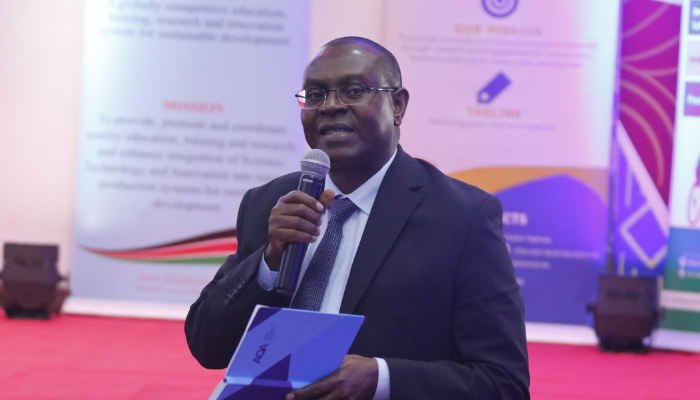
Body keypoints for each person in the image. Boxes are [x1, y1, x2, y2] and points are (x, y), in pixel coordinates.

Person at [185, 36, 530, 400]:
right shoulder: (269, 203)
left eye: (353, 90)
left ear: (397, 105)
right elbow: (208, 347)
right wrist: (269, 261)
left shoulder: (462, 217)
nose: (331, 106)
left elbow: (503, 382)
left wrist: (382, 380)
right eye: (315, 94)